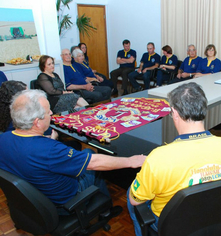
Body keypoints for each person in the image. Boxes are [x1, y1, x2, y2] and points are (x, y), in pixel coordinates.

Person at [0, 89, 146, 215]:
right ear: (37, 122)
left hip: (33, 198)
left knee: (80, 151)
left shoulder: (3, 139)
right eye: (48, 111)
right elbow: (94, 163)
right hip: (64, 201)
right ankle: (105, 210)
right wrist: (130, 161)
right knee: (90, 153)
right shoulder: (50, 149)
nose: (51, 113)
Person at [127, 82, 221, 236]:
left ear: (175, 113)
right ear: (204, 110)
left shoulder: (159, 158)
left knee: (131, 195)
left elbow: (135, 201)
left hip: (173, 225)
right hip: (211, 216)